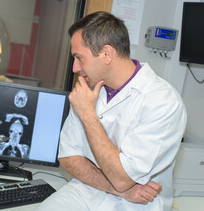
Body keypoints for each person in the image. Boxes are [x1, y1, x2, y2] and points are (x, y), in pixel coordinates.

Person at [35, 11, 187, 211]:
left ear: (107, 54)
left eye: (79, 58)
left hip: (138, 203)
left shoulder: (163, 101)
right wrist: (117, 189)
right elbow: (68, 158)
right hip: (86, 190)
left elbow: (122, 178)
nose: (74, 68)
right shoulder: (87, 91)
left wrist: (88, 115)